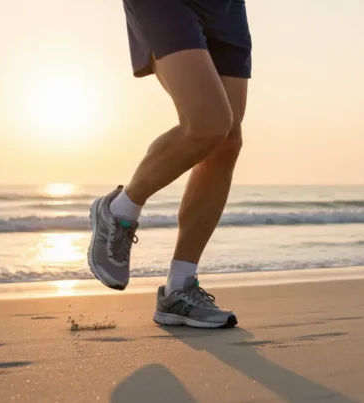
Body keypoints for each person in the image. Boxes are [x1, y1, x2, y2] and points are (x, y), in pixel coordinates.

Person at [88, 0, 252, 329]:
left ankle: (179, 288)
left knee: (227, 142)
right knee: (208, 123)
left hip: (227, 9)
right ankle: (118, 211)